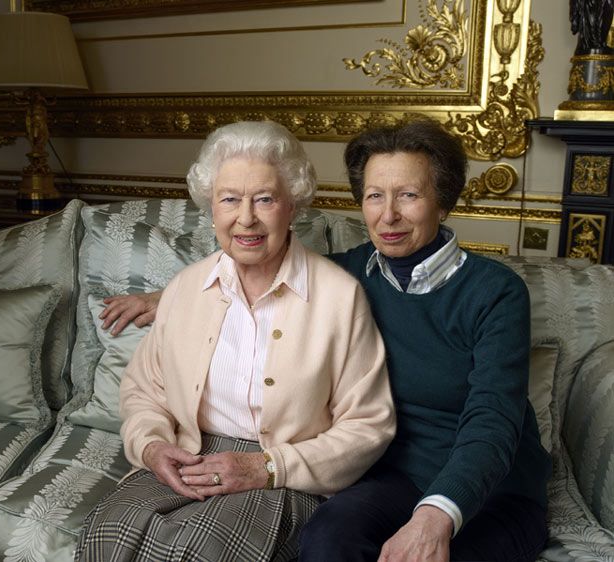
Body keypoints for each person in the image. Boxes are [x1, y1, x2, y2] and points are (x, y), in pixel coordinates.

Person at [99, 119, 552, 562]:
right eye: (374, 196)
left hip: (488, 491)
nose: (388, 214)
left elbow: (492, 422)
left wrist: (436, 516)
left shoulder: (495, 292)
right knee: (326, 542)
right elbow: (264, 266)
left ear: (444, 201)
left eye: (409, 195)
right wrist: (171, 297)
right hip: (392, 478)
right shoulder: (351, 272)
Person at [76, 120, 396, 562]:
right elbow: (143, 390)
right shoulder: (186, 287)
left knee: (201, 553)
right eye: (230, 200)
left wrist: (268, 467)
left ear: (292, 207)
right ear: (212, 208)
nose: (246, 218)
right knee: (106, 535)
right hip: (190, 450)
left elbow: (369, 426)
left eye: (264, 199)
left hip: (284, 471)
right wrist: (151, 446)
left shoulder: (340, 297)